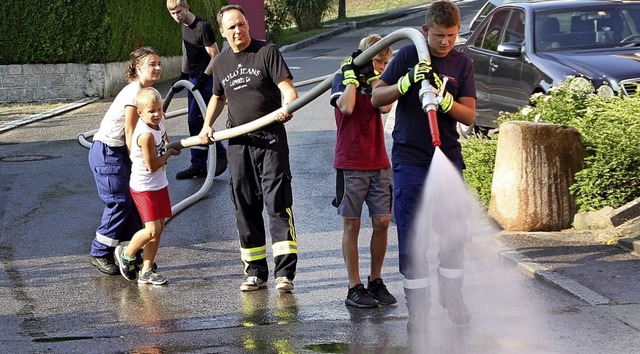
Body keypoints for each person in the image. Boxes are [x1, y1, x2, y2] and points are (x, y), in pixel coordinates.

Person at [370, 0, 476, 326]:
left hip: (447, 154)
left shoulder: (462, 64)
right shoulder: (407, 55)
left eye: (452, 35)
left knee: (454, 230)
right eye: (439, 35)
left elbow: (469, 115)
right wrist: (404, 85)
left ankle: (451, 293)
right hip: (410, 157)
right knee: (413, 232)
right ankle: (418, 309)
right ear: (425, 31)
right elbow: (376, 96)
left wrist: (444, 101)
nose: (445, 42)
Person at [198, 5, 299, 292]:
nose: (238, 30)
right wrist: (207, 126)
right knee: (244, 204)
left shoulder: (266, 52)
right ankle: (254, 272)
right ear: (223, 32)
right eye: (231, 27)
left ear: (247, 24)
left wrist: (287, 105)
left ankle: (284, 274)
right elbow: (218, 97)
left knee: (277, 202)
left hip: (270, 139)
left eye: (241, 24)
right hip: (239, 142)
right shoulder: (220, 63)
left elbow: (288, 88)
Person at [330, 34, 396, 308]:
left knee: (382, 222)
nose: (382, 67)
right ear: (367, 58)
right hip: (351, 162)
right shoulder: (341, 76)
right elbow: (346, 107)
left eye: (386, 62)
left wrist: (375, 79)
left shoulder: (378, 80)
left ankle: (376, 280)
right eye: (379, 62)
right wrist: (351, 78)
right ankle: (353, 286)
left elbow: (384, 107)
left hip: (378, 161)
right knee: (352, 224)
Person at [88, 47, 163, 275]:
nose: (158, 68)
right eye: (152, 64)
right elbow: (130, 132)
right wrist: (140, 163)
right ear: (139, 68)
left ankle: (133, 253)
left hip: (119, 152)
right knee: (119, 202)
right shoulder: (133, 93)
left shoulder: (145, 92)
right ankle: (100, 252)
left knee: (132, 202)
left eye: (159, 63)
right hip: (107, 152)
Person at [115, 87, 180, 285]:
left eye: (159, 110)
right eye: (151, 111)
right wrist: (169, 153)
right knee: (151, 230)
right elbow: (152, 166)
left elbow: (164, 135)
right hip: (145, 187)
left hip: (159, 184)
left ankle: (146, 270)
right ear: (140, 112)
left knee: (158, 229)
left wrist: (168, 143)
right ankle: (127, 254)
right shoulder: (145, 135)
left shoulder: (160, 121)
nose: (156, 114)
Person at [167, 0, 228, 179]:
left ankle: (219, 153)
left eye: (179, 11)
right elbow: (187, 52)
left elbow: (215, 56)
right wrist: (183, 76)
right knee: (193, 122)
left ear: (186, 7)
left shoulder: (202, 26)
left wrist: (204, 76)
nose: (176, 16)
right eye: (173, 13)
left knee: (199, 120)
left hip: (205, 79)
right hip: (193, 79)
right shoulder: (184, 26)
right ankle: (198, 165)